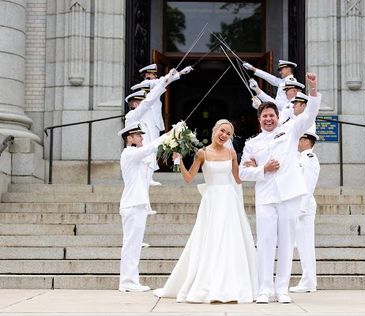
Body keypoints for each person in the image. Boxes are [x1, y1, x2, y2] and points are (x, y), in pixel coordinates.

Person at [153, 119, 258, 303]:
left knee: (228, 240)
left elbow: (238, 179)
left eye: (228, 133)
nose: (224, 135)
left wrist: (251, 166)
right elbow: (188, 178)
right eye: (222, 131)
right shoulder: (202, 153)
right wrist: (178, 162)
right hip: (211, 201)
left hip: (229, 201)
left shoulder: (232, 153)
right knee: (210, 239)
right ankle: (207, 283)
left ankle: (231, 284)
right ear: (215, 129)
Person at [239, 73, 321, 304]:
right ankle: (264, 289)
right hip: (265, 196)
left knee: (286, 242)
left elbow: (310, 113)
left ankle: (281, 289)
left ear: (277, 116)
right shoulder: (251, 144)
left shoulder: (290, 131)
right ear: (259, 119)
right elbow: (242, 172)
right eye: (264, 116)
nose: (268, 119)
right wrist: (262, 169)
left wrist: (313, 89)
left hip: (290, 195)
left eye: (271, 115)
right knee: (265, 242)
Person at [117, 121, 168, 292]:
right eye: (138, 135)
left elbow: (149, 157)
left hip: (137, 204)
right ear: (129, 138)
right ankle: (127, 282)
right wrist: (170, 134)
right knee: (131, 244)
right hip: (133, 204)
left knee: (134, 244)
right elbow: (149, 149)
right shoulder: (129, 152)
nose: (141, 137)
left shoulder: (135, 154)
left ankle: (131, 281)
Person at [290, 127, 320, 293]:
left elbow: (308, 185)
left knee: (305, 245)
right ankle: (307, 281)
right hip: (299, 206)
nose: (297, 142)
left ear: (307, 141)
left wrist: (300, 209)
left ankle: (308, 282)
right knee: (302, 245)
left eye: (299, 139)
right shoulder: (300, 157)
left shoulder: (309, 158)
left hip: (304, 207)